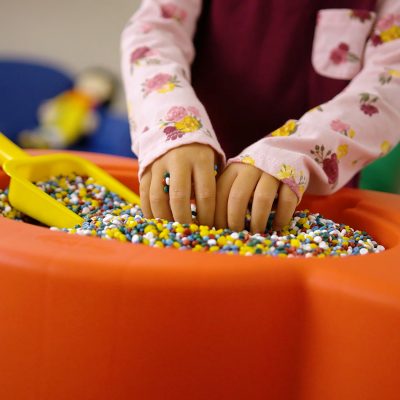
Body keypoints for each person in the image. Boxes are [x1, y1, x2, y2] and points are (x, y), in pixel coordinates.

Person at [121, 0, 400, 233]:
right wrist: (176, 128)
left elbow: (390, 84)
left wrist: (292, 153)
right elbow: (153, 33)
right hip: (191, 184)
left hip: (317, 211)